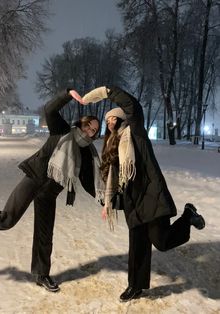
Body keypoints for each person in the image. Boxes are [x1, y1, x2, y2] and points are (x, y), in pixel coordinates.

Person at [81, 86, 205, 302]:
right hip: (133, 202)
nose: (110, 123)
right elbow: (113, 178)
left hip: (150, 195)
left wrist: (105, 92)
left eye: (114, 119)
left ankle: (188, 215)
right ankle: (135, 286)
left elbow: (132, 106)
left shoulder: (135, 134)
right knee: (137, 247)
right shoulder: (112, 146)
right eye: (108, 121)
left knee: (162, 242)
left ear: (123, 120)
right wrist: (108, 202)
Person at [0, 88, 103, 292]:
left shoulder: (86, 152)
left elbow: (88, 182)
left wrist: (105, 200)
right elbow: (50, 109)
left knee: (44, 235)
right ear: (81, 123)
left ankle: (42, 275)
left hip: (49, 194)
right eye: (89, 126)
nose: (90, 132)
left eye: (94, 130)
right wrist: (67, 95)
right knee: (6, 220)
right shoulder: (62, 131)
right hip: (33, 180)